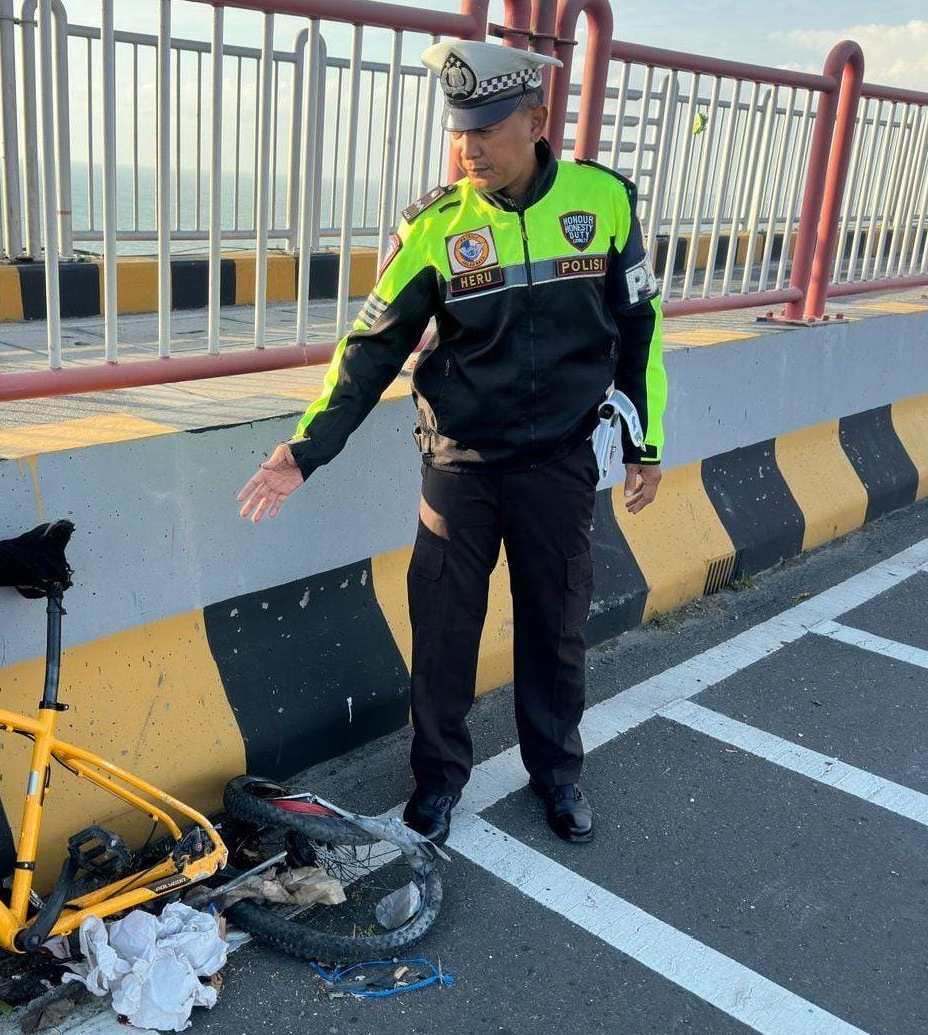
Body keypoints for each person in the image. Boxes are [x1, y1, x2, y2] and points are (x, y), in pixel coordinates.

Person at [236, 39, 667, 845]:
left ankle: (558, 775)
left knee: (556, 627)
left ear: (537, 122)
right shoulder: (435, 227)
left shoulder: (605, 202)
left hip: (559, 461)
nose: (469, 149)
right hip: (460, 465)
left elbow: (639, 326)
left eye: (489, 128)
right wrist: (306, 449)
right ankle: (437, 783)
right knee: (443, 633)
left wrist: (645, 442)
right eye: (459, 131)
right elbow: (369, 351)